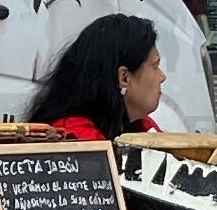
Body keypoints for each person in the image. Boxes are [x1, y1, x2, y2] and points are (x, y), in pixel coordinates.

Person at [31, 11, 166, 144]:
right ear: (124, 77)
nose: (162, 77)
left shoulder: (140, 125)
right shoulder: (76, 139)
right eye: (155, 67)